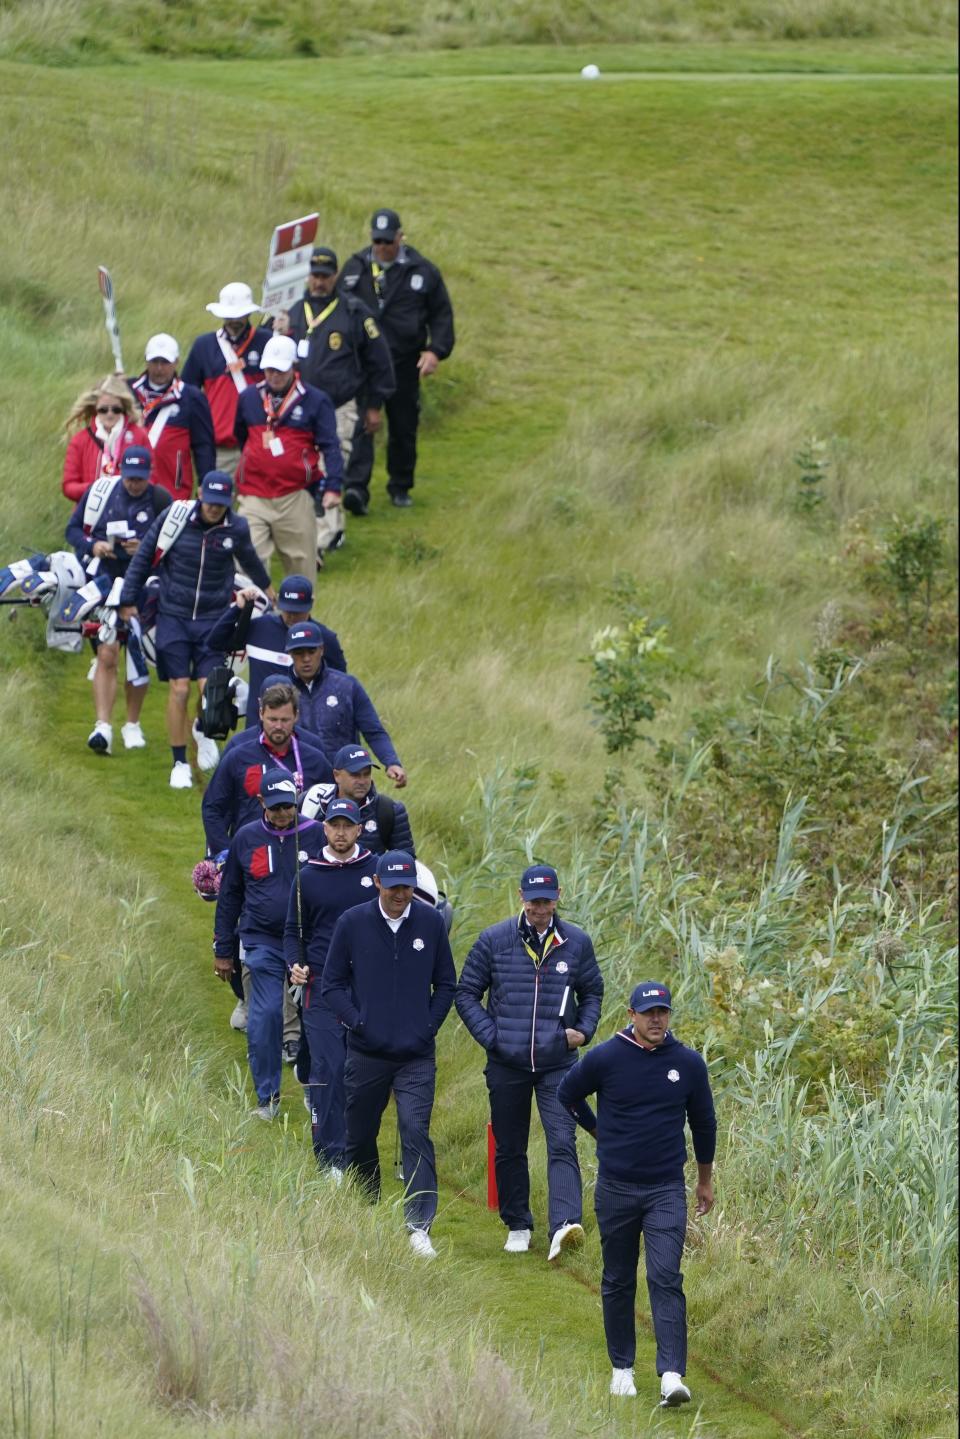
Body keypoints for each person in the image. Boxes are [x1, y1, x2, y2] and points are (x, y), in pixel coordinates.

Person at [557, 983, 717, 1409]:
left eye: (662, 1011)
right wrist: (597, 1131)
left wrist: (704, 1180)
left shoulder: (687, 1063)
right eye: (648, 1012)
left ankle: (670, 1375)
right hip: (616, 1187)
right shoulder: (607, 1057)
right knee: (618, 1278)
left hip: (666, 1187)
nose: (656, 1019)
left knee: (665, 1277)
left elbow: (704, 1123)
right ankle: (622, 1369)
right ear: (631, 1013)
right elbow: (567, 1094)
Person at [455, 863, 604, 1261]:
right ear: (521, 897)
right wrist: (493, 1038)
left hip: (558, 1062)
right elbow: (466, 993)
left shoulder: (576, 942)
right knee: (510, 1146)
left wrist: (584, 1031)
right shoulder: (494, 939)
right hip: (507, 1062)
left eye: (547, 901)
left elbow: (592, 991)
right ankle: (518, 1223)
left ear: (558, 898)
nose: (541, 908)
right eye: (534, 901)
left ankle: (564, 1226)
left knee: (562, 1141)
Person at [321, 850, 456, 1257]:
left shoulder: (430, 923)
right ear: (378, 883)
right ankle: (367, 1203)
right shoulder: (353, 923)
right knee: (359, 1135)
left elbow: (446, 984)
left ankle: (418, 1225)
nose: (401, 894)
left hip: (416, 1055)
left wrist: (427, 1026)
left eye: (407, 886)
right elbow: (332, 984)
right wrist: (357, 1022)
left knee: (414, 1132)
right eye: (394, 886)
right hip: (366, 1052)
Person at [118, 471, 273, 789]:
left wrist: (269, 590)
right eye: (209, 502)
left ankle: (203, 730)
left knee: (212, 692)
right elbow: (144, 557)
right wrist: (126, 600)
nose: (214, 509)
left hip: (213, 621)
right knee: (179, 689)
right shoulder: (173, 518)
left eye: (220, 504)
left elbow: (251, 561)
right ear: (200, 493)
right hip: (172, 616)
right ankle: (179, 763)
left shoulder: (237, 528)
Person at [213, 768, 325, 1118]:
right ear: (261, 802)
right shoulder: (246, 838)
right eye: (275, 807)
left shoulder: (317, 834)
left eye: (287, 806)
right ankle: (268, 1098)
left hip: (309, 941)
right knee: (264, 1016)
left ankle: (315, 1088)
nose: (282, 813)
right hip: (262, 940)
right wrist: (223, 948)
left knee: (318, 1018)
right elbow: (230, 895)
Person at [274, 245, 395, 558]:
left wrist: (373, 405)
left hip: (339, 405)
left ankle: (322, 540)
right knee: (299, 468)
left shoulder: (354, 312)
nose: (319, 282)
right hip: (295, 408)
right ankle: (324, 527)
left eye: (325, 277)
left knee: (330, 465)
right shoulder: (293, 312)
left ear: (336, 276)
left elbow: (379, 359)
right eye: (315, 276)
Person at [285, 797, 378, 1177]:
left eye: (347, 826)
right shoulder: (307, 876)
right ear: (324, 828)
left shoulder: (374, 871)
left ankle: (356, 1147)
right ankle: (331, 1158)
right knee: (330, 1067)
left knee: (361, 1073)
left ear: (359, 829)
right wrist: (294, 964)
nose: (340, 833)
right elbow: (292, 931)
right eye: (334, 825)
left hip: (366, 987)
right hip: (321, 986)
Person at [340, 208, 455, 513]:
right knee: (362, 423)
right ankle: (355, 488)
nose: (382, 247)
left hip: (403, 363)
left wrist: (435, 351)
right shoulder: (355, 268)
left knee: (404, 426)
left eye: (388, 241)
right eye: (377, 241)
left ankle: (400, 485)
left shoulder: (422, 271)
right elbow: (337, 311)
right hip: (363, 364)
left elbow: (441, 315)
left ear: (400, 237)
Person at [65, 445, 170, 753]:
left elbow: (175, 547)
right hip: (104, 584)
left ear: (149, 475)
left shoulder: (160, 500)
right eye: (128, 478)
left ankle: (133, 724)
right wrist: (94, 545)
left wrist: (147, 549)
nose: (133, 484)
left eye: (139, 479)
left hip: (143, 586)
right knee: (108, 654)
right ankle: (103, 726)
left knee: (136, 652)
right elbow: (73, 531)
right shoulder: (100, 493)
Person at [233, 334, 343, 578]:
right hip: (253, 495)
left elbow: (330, 446)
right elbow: (241, 435)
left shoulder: (316, 400)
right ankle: (255, 614)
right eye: (269, 369)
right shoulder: (249, 398)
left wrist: (333, 486)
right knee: (245, 564)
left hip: (295, 495)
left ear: (294, 367)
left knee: (300, 568)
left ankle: (299, 617)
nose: (274, 375)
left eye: (280, 370)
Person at [205, 573, 346, 729]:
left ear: (311, 603)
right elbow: (215, 642)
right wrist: (237, 609)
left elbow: (340, 685)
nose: (292, 617)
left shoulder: (325, 639)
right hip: (256, 732)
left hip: (304, 735)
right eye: (288, 610)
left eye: (298, 612)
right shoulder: (259, 628)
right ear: (278, 601)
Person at [283, 622, 407, 785]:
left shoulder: (347, 686)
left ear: (322, 650)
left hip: (345, 783)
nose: (306, 659)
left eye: (311, 651)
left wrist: (391, 762)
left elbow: (373, 730)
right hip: (299, 784)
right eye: (299, 653)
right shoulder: (281, 691)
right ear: (290, 654)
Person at [181, 283, 273, 475]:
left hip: (259, 443)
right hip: (220, 448)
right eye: (229, 316)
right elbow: (186, 392)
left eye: (238, 315)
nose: (233, 321)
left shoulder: (268, 342)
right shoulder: (203, 346)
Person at [128, 334, 216, 500]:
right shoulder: (129, 391)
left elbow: (203, 446)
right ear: (146, 361)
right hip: (131, 485)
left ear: (176, 362)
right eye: (155, 362)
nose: (159, 368)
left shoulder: (192, 397)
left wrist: (206, 483)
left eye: (165, 362)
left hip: (173, 490)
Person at [301, 744, 415, 856]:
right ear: (336, 775)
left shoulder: (389, 810)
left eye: (366, 774)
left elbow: (405, 862)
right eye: (355, 775)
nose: (362, 781)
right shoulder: (314, 802)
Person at [62, 375, 149, 502]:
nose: (110, 414)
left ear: (124, 408)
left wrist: (128, 489)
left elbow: (152, 478)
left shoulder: (139, 436)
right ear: (94, 409)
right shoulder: (80, 440)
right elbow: (69, 486)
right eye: (103, 409)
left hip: (130, 512)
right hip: (90, 515)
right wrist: (98, 490)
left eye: (116, 409)